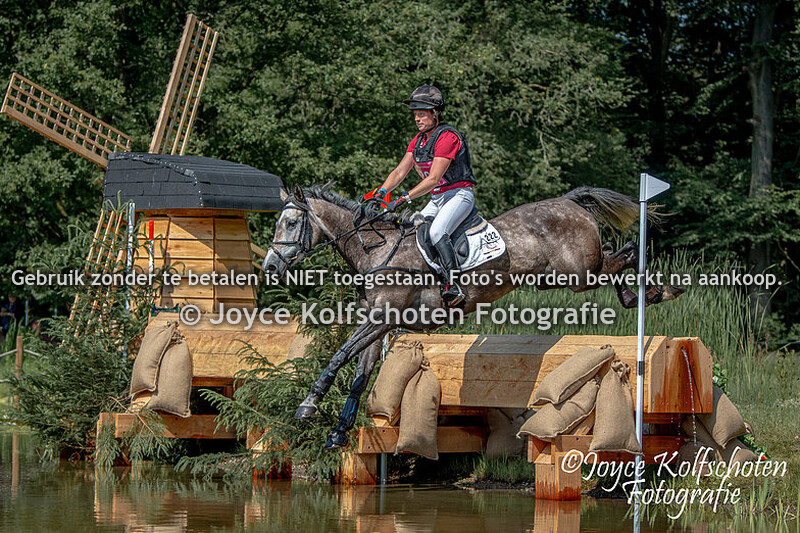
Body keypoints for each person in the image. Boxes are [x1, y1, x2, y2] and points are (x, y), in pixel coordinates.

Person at [373, 85, 477, 307]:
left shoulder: (447, 137)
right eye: (415, 114)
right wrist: (381, 191)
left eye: (421, 114)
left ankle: (454, 285)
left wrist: (404, 197)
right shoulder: (418, 140)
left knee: (438, 231)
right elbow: (400, 171)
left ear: (435, 113)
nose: (417, 119)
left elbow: (432, 179)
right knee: (411, 230)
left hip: (459, 195)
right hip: (438, 199)